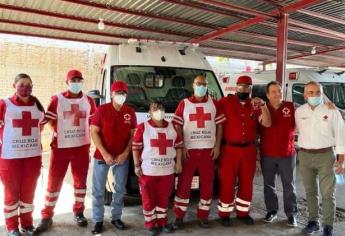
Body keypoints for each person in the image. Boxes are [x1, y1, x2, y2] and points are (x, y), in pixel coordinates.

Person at [36, 69, 96, 232]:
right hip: (61, 148)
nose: (76, 83)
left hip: (81, 148)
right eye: (73, 80)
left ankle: (79, 211)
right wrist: (58, 130)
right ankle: (47, 215)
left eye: (79, 80)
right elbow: (48, 120)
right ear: (67, 82)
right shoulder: (57, 99)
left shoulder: (89, 100)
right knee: (54, 183)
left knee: (80, 183)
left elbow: (94, 124)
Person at [172, 75, 225, 229]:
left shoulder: (214, 104)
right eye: (198, 84)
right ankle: (179, 216)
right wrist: (183, 147)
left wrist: (217, 146)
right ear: (193, 85)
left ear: (207, 86)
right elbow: (178, 126)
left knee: (207, 185)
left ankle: (203, 215)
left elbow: (220, 126)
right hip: (189, 152)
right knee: (183, 184)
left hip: (208, 151)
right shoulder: (184, 103)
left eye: (204, 84)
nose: (201, 86)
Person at [217, 75, 271, 226]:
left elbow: (267, 123)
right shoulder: (225, 102)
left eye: (247, 87)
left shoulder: (255, 104)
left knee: (247, 182)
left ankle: (243, 212)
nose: (244, 89)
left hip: (249, 150)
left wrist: (263, 105)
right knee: (227, 181)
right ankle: (225, 213)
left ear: (251, 89)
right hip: (229, 149)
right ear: (236, 87)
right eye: (241, 86)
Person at [295, 81, 345, 236]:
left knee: (327, 194)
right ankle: (313, 222)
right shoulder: (299, 112)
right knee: (310, 192)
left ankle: (328, 227)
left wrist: (342, 160)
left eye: (317, 92)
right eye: (310, 92)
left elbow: (340, 134)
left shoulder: (332, 111)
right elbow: (297, 131)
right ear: (304, 95)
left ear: (322, 94)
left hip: (326, 156)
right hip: (304, 156)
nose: (314, 95)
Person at [0, 73, 45, 236]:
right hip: (9, 158)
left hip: (32, 157)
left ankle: (27, 224)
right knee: (11, 193)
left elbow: (41, 126)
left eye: (28, 84)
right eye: (21, 84)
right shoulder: (4, 104)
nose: (25, 87)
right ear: (14, 86)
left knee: (28, 192)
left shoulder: (37, 105)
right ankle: (12, 227)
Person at [90, 80, 137, 235]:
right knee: (98, 191)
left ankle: (116, 217)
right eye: (118, 93)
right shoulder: (101, 110)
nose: (121, 96)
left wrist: (125, 153)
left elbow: (132, 136)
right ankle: (98, 220)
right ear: (111, 94)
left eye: (123, 93)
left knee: (120, 190)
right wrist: (104, 153)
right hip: (102, 157)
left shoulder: (130, 112)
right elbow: (94, 132)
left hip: (121, 158)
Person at [132, 101, 183, 236]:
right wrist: (137, 165)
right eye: (154, 108)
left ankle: (163, 222)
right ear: (149, 112)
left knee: (164, 198)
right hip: (148, 172)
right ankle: (150, 224)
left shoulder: (172, 127)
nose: (158, 110)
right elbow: (135, 148)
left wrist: (178, 163)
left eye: (160, 108)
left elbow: (178, 146)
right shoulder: (143, 127)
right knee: (148, 199)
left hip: (167, 171)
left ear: (164, 111)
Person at [259, 81, 298, 226]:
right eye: (274, 91)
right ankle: (272, 211)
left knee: (289, 185)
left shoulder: (291, 107)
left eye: (279, 91)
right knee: (269, 184)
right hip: (267, 154)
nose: (278, 94)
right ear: (268, 95)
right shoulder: (261, 109)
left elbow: (308, 113)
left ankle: (291, 214)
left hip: (287, 154)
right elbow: (264, 124)